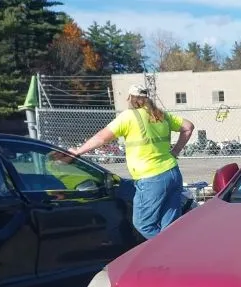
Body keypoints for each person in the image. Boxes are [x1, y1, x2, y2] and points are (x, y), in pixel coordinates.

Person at [68, 85, 194, 239]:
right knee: (170, 227)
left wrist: (79, 151)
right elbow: (188, 127)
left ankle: (168, 251)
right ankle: (175, 255)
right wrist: (175, 152)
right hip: (173, 173)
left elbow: (102, 137)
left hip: (151, 178)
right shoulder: (161, 115)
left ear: (130, 98)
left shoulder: (128, 117)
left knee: (144, 224)